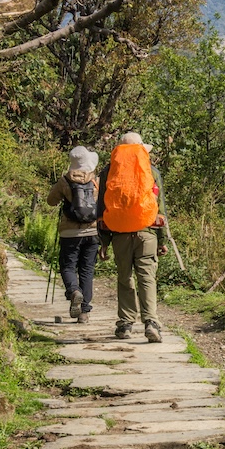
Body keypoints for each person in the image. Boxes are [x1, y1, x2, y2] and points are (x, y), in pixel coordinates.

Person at [98, 132, 168, 342]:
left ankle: (126, 324)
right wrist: (162, 239)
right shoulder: (152, 171)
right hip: (147, 233)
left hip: (119, 234)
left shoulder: (108, 172)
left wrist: (104, 241)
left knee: (124, 278)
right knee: (147, 277)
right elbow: (160, 208)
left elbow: (102, 208)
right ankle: (151, 322)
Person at [46, 146, 100, 324]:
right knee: (87, 269)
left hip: (69, 232)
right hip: (92, 231)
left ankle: (74, 291)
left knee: (68, 266)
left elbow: (50, 201)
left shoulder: (64, 181)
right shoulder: (95, 181)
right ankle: (84, 312)